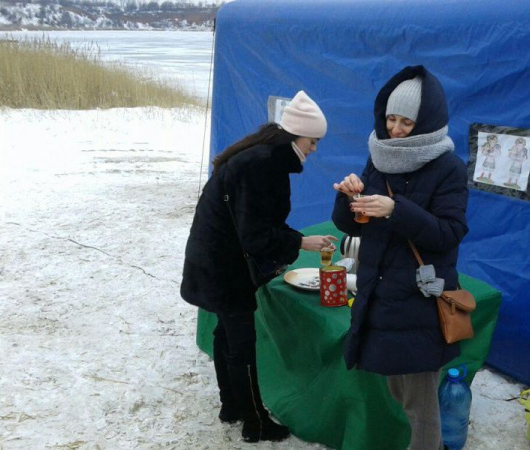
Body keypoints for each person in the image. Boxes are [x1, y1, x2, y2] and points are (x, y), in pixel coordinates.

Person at [181, 91, 336, 443]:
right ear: (296, 136)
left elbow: (255, 222)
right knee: (242, 345)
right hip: (224, 266)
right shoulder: (263, 165)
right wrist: (301, 242)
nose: (314, 149)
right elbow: (255, 235)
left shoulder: (262, 156)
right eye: (313, 142)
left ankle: (231, 405)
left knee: (224, 335)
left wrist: (294, 240)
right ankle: (255, 421)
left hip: (214, 258)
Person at [332, 66, 469, 450]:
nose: (395, 129)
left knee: (422, 410)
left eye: (406, 122)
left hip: (418, 304)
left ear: (426, 121)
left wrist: (395, 209)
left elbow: (449, 233)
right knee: (399, 391)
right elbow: (354, 226)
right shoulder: (379, 158)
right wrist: (348, 198)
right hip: (380, 297)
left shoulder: (448, 168)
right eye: (391, 118)